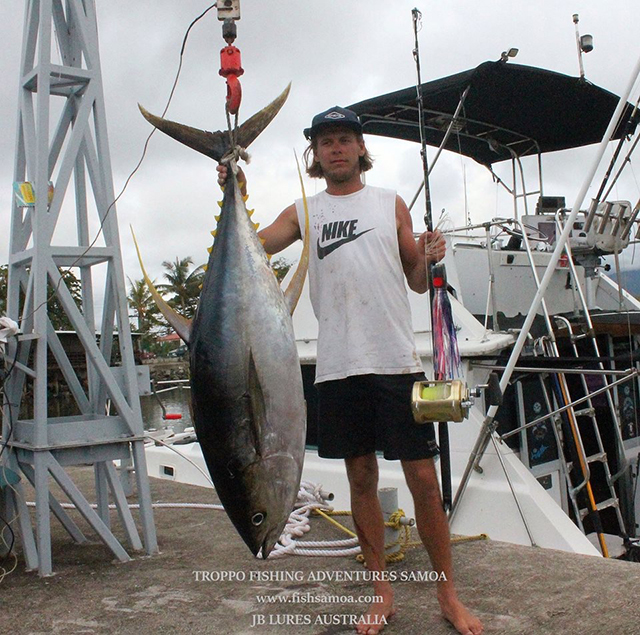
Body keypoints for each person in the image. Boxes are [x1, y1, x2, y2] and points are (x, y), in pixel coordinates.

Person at [217, 106, 483, 635]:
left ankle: (448, 593)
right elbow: (257, 244)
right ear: (315, 154)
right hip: (336, 369)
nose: (335, 148)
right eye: (325, 141)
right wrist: (233, 190)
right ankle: (381, 592)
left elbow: (413, 279)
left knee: (424, 482)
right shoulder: (304, 212)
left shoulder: (391, 205)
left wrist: (429, 256)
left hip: (394, 362)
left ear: (361, 148)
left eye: (344, 139)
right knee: (360, 478)